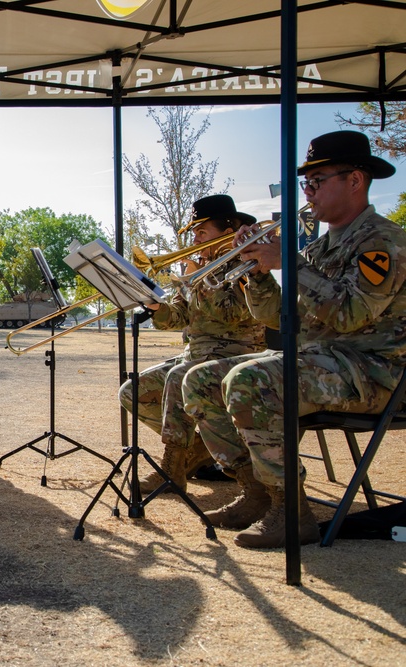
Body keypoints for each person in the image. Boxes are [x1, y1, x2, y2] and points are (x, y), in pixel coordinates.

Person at [182, 130, 405, 548]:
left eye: (317, 182)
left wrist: (290, 262)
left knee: (250, 380)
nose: (309, 192)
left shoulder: (384, 241)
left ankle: (291, 512)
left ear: (355, 180)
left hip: (375, 373)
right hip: (324, 362)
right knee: (199, 379)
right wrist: (259, 274)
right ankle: (258, 492)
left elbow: (350, 313)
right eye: (306, 184)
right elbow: (277, 318)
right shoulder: (320, 249)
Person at [118, 195, 267, 493]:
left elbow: (236, 313)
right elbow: (177, 319)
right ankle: (197, 447)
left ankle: (172, 469)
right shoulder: (198, 269)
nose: (194, 239)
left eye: (201, 232)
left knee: (178, 376)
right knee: (132, 391)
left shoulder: (247, 264)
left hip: (237, 353)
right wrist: (156, 305)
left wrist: (197, 280)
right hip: (195, 354)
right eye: (194, 232)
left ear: (226, 233)